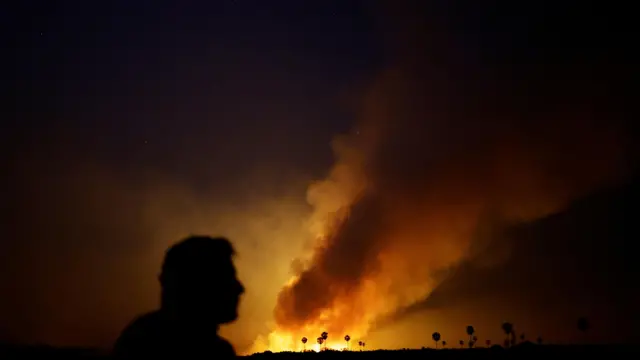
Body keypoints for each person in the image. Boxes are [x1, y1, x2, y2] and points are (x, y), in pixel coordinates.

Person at [112, 236, 245, 359]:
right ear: (197, 285)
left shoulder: (141, 337)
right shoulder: (144, 343)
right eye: (227, 278)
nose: (240, 289)